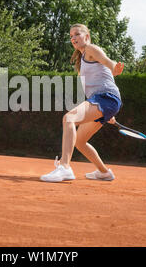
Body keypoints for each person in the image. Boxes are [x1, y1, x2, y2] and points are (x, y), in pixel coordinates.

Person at [40, 24, 124, 182]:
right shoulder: (81, 61)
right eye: (71, 36)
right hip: (105, 103)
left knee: (69, 118)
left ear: (87, 37)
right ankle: (104, 172)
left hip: (106, 98)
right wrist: (108, 113)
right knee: (79, 141)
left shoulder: (91, 49)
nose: (73, 38)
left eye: (77, 34)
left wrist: (115, 68)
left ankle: (65, 167)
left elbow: (108, 63)